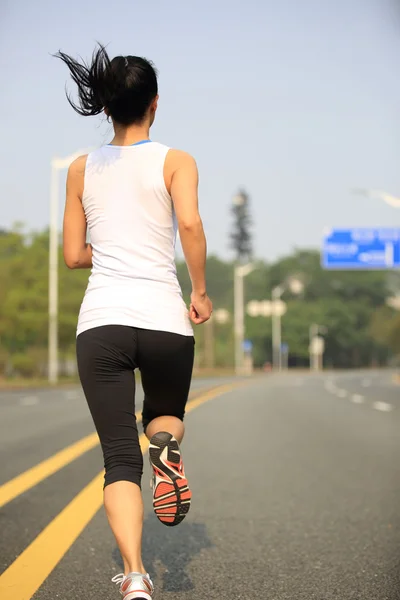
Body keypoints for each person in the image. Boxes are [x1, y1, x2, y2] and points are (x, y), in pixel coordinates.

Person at [55, 44, 212, 600]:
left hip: (102, 323)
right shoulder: (176, 160)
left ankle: (137, 579)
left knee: (118, 458)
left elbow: (74, 255)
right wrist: (198, 289)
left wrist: (113, 249)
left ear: (105, 107)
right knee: (165, 416)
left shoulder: (79, 168)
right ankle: (166, 443)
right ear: (154, 104)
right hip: (165, 319)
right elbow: (189, 224)